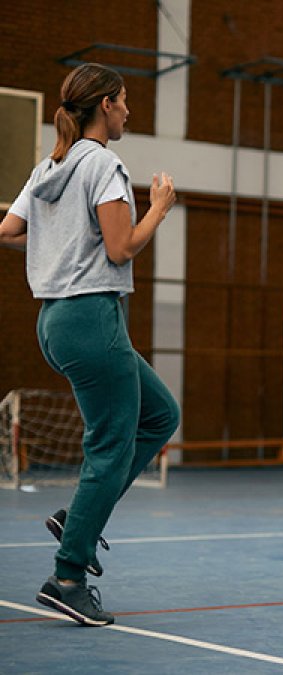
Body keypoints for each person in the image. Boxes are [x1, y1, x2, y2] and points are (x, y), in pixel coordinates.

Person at [0, 63, 180, 626]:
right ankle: (67, 575)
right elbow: (121, 248)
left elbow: (6, 231)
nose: (128, 111)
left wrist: (56, 244)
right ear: (104, 105)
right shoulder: (103, 163)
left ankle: (81, 516)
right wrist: (159, 207)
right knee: (108, 445)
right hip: (93, 318)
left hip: (55, 322)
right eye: (123, 102)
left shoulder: (49, 165)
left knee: (160, 415)